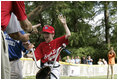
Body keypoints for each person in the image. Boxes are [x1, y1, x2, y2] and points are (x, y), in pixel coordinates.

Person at [1, 1, 39, 79]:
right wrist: (31, 30)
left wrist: (26, 42)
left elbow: (15, 35)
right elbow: (26, 26)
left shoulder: (8, 17)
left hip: (14, 62)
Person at [34, 15, 71, 79]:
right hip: (45, 66)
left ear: (53, 34)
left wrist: (64, 24)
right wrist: (28, 54)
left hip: (54, 66)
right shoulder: (42, 45)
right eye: (44, 33)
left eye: (48, 33)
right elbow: (35, 55)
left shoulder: (57, 41)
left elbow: (68, 34)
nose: (45, 35)